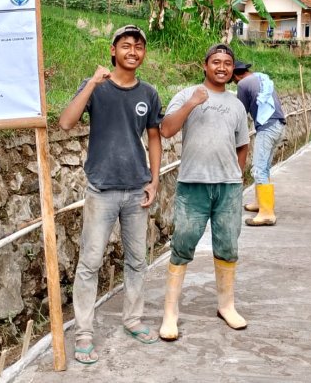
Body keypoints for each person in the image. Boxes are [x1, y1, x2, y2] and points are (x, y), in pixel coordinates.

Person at [58, 24, 162, 365]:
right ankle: (84, 332)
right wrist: (90, 82)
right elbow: (66, 123)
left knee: (136, 260)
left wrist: (155, 181)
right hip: (101, 190)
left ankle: (132, 319)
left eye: (138, 47)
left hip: (136, 190)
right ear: (113, 50)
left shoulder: (148, 93)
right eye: (126, 45)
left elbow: (155, 138)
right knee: (90, 263)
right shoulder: (97, 89)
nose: (133, 52)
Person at [158, 43, 250, 341]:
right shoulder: (187, 94)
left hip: (228, 188)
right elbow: (166, 130)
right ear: (205, 65)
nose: (221, 67)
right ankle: (170, 313)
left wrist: (235, 174)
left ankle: (227, 305)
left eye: (227, 63)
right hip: (192, 184)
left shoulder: (237, 104)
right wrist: (192, 104)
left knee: (228, 246)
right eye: (216, 62)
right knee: (183, 244)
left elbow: (242, 144)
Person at [232, 61, 286, 226]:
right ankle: (260, 203)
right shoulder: (261, 78)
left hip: (267, 128)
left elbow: (240, 111)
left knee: (258, 169)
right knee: (264, 167)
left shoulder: (242, 83)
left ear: (236, 75)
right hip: (279, 125)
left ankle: (267, 213)